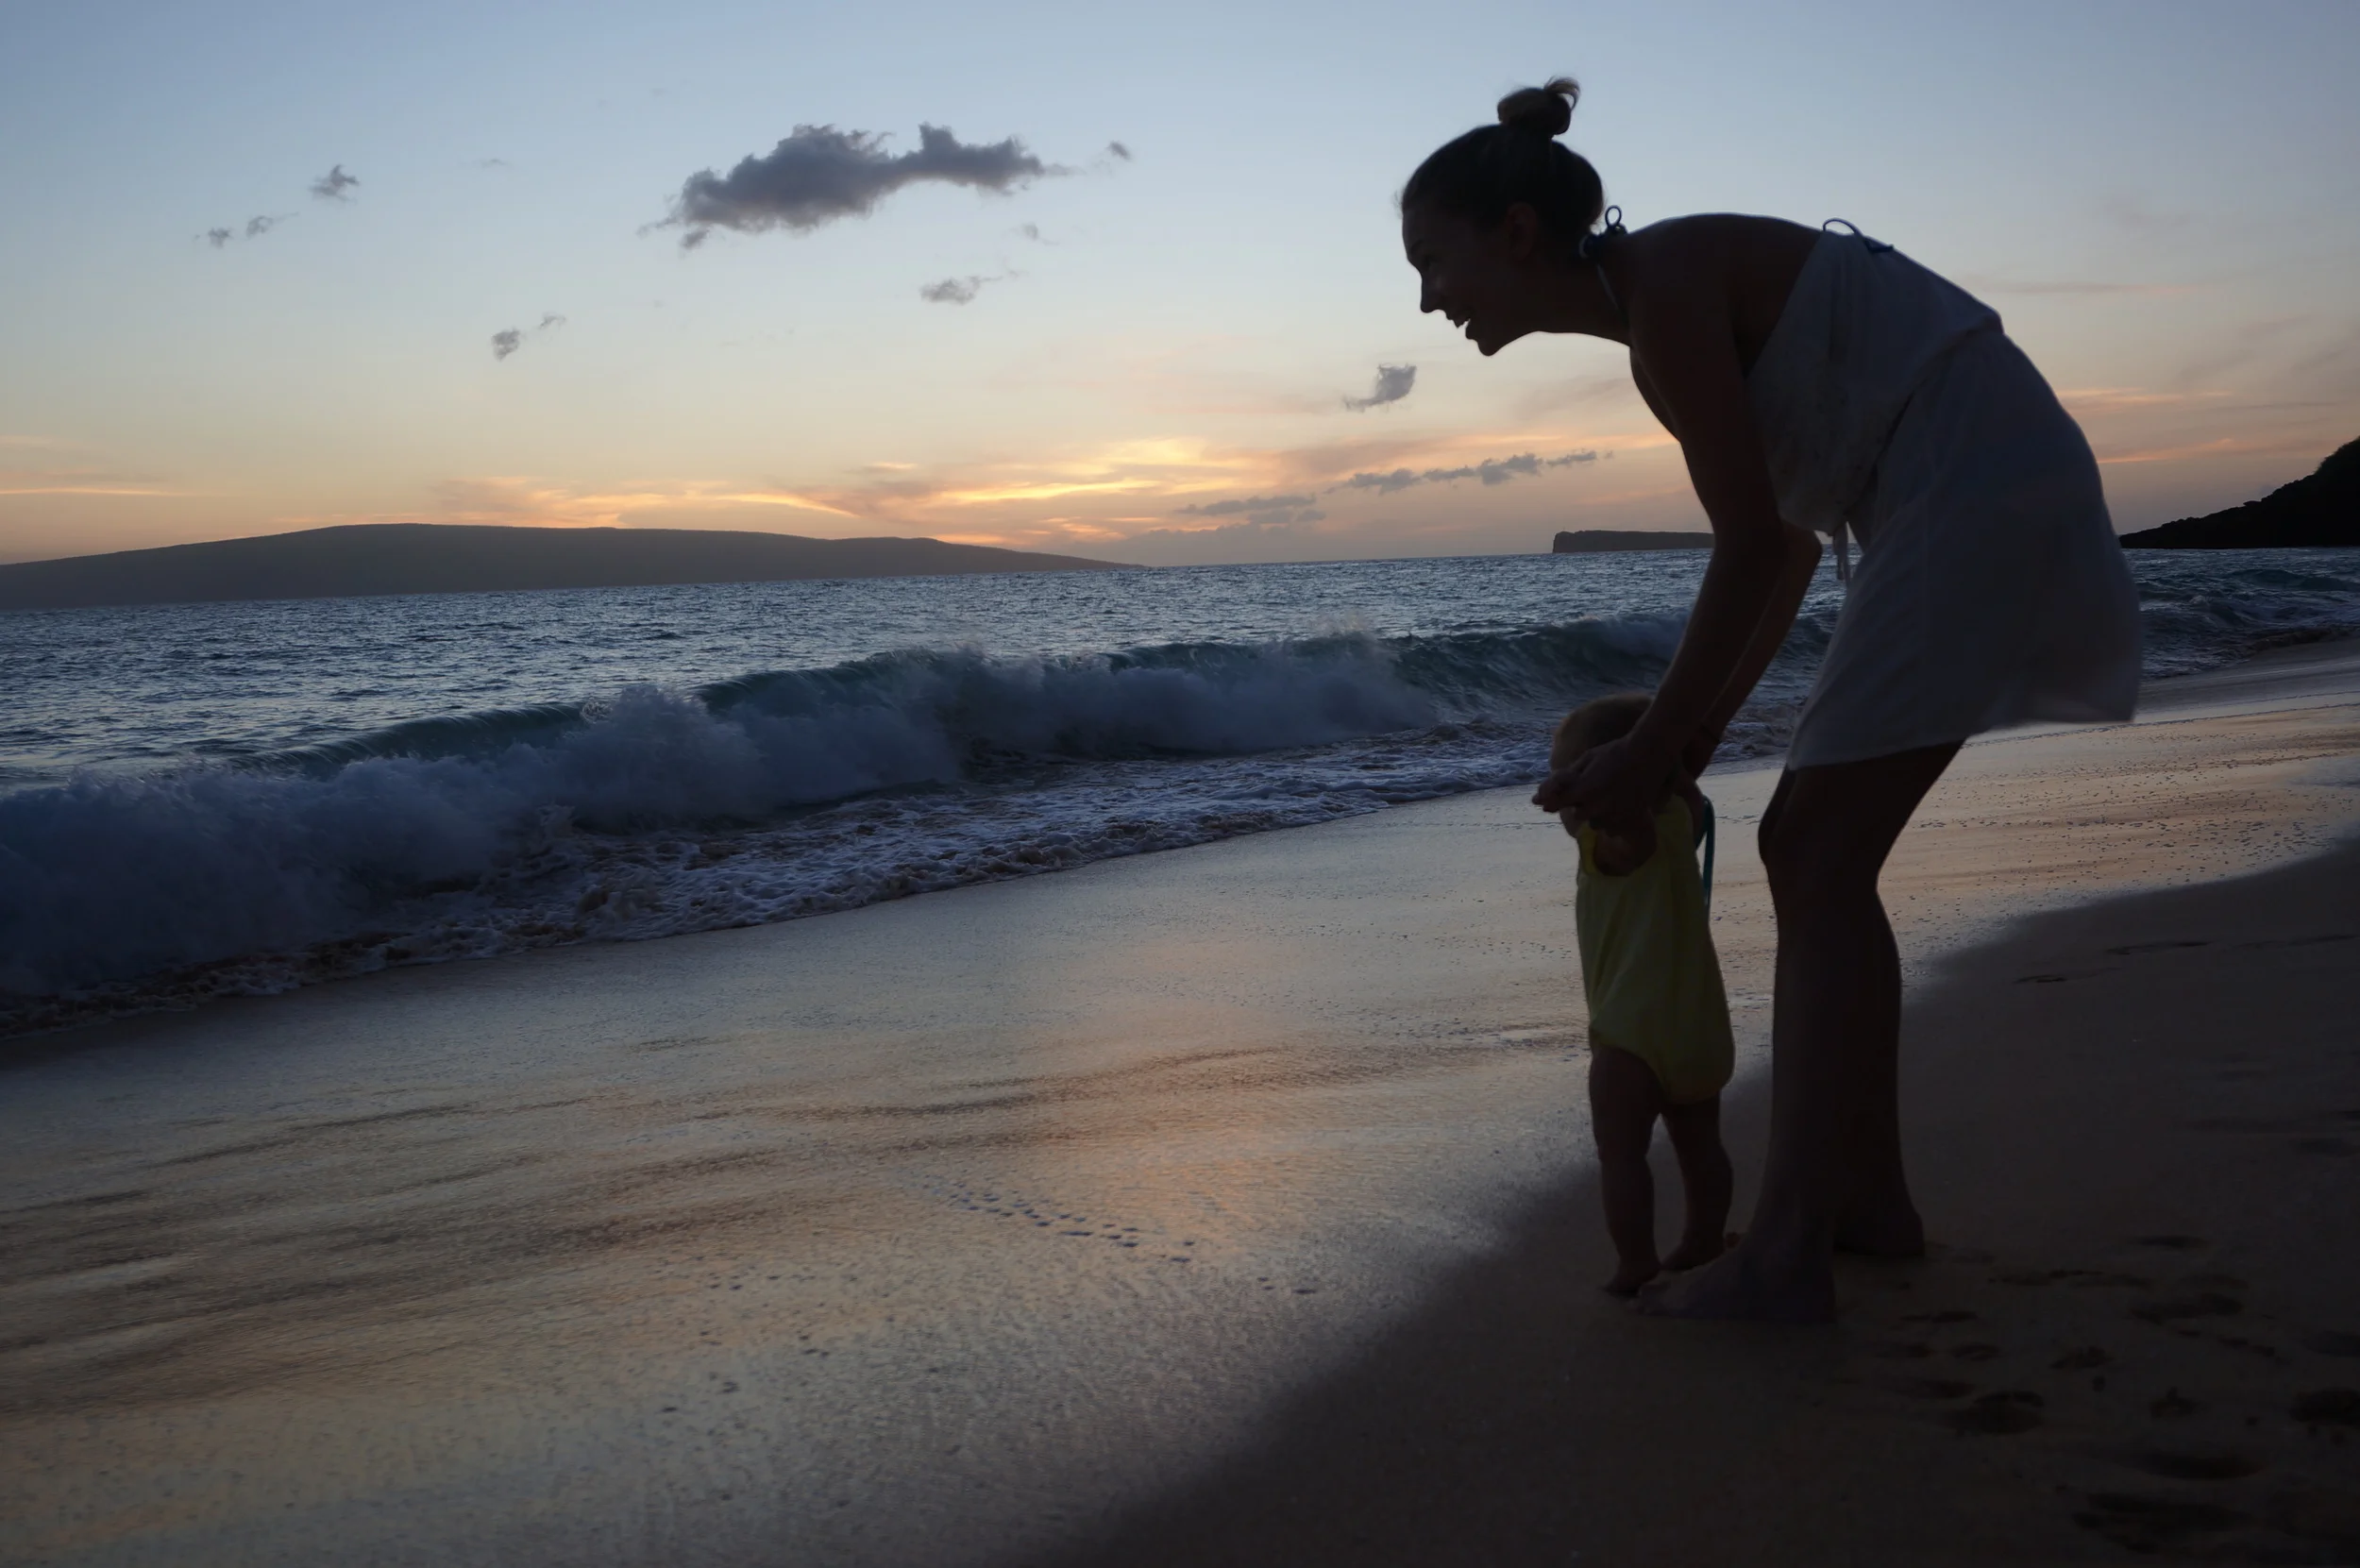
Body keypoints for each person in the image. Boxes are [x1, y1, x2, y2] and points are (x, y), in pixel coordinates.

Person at [1399, 78, 2141, 1321]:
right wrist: (1686, 739)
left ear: (1514, 234)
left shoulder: (1667, 294)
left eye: (1432, 260)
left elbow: (1751, 549)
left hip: (1964, 476)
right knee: (1819, 850)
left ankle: (1792, 1247)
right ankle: (1868, 1205)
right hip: (1951, 481)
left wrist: (1652, 753)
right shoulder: (1657, 319)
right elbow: (1790, 551)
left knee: (1812, 845)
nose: (1426, 297)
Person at [1551, 693, 1735, 1296]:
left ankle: (1636, 1261)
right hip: (1701, 1023)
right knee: (1700, 1144)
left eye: (1570, 777)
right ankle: (1705, 1236)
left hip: (1634, 1028)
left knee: (1621, 1151)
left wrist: (1608, 816)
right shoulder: (1688, 814)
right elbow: (1689, 795)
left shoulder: (1607, 843)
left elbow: (1633, 843)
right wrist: (1671, 769)